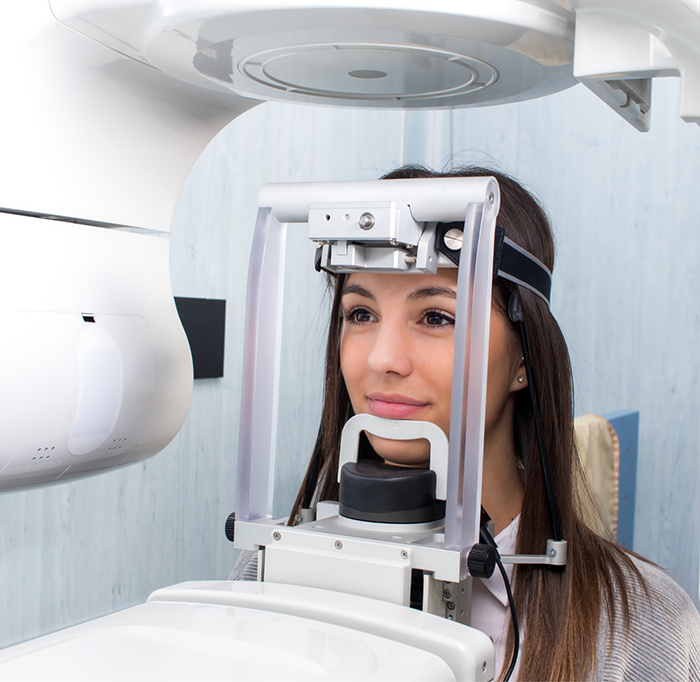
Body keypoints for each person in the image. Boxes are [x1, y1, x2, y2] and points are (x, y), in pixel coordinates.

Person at [232, 165, 700, 681]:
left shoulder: (641, 627)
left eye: (437, 317)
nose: (381, 360)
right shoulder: (268, 572)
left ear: (523, 359)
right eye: (360, 314)